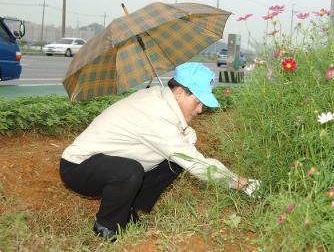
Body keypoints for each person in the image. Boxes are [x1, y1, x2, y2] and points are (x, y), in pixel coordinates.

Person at [59, 62, 260, 241]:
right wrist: (239, 182)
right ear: (180, 93)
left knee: (175, 160)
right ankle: (106, 226)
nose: (200, 110)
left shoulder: (162, 101)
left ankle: (127, 209)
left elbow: (183, 143)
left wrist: (187, 135)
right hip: (78, 167)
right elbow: (196, 164)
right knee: (131, 170)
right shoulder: (155, 113)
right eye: (198, 102)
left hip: (108, 162)